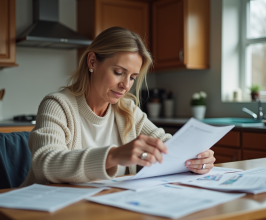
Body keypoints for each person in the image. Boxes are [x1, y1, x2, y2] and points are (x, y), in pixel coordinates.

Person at [20, 27, 215, 187]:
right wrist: (113, 155)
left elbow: (165, 145)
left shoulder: (128, 110)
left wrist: (196, 157)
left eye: (132, 77)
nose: (126, 85)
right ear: (92, 61)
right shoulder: (57, 105)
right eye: (119, 72)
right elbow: (45, 162)